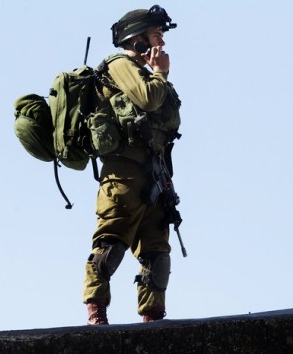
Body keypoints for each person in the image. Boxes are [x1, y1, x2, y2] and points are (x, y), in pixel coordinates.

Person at [83, 5, 181, 325]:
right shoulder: (120, 65)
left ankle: (152, 319)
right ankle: (96, 314)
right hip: (124, 171)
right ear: (136, 40)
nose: (161, 44)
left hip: (155, 171)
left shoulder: (145, 72)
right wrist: (160, 73)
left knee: (157, 252)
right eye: (156, 36)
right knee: (111, 244)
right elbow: (148, 99)